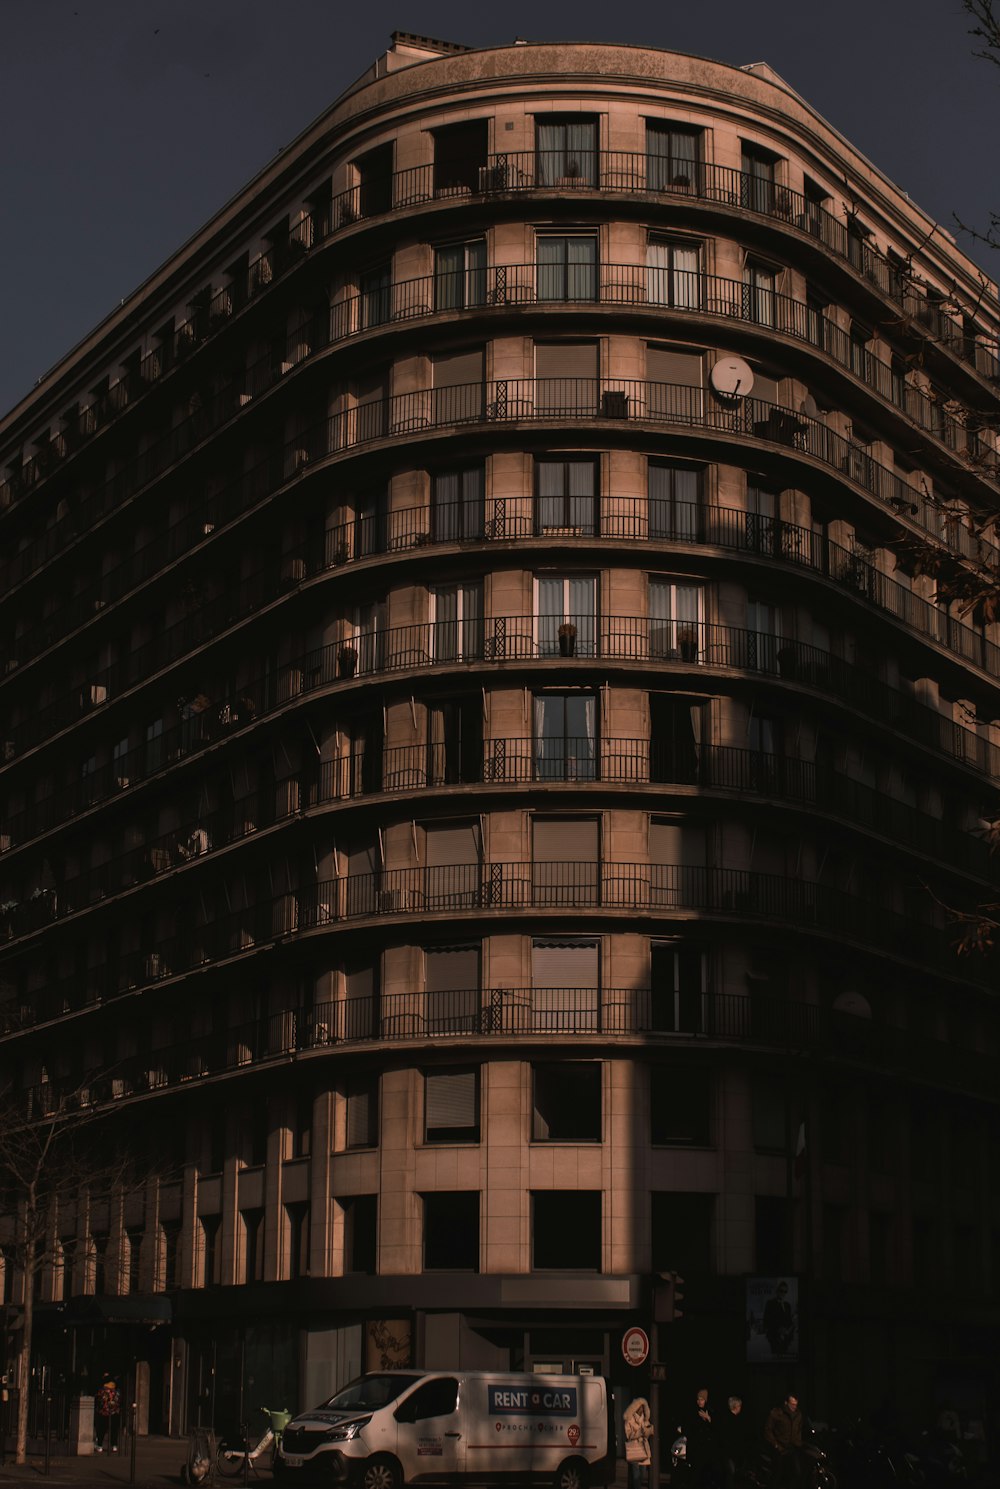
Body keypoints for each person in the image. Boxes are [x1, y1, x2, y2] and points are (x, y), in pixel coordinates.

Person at [764, 1393, 803, 1488]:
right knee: (777, 1475)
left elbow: (799, 1429)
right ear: (786, 1403)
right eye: (792, 1404)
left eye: (796, 1404)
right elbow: (768, 1430)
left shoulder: (798, 1414)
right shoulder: (778, 1413)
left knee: (796, 1474)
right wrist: (776, 1445)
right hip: (780, 1448)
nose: (794, 1406)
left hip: (793, 1448)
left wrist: (798, 1441)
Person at [720, 1396, 751, 1489]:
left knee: (732, 1474)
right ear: (736, 1406)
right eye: (739, 1406)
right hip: (730, 1452)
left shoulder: (730, 1419)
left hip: (731, 1451)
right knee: (731, 1473)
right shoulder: (732, 1420)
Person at [623, 1396, 653, 1489]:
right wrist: (640, 1432)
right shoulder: (629, 1419)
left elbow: (648, 1434)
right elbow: (628, 1435)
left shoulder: (645, 1419)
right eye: (640, 1406)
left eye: (643, 1407)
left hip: (644, 1448)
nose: (642, 1409)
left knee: (642, 1474)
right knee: (636, 1475)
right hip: (634, 1448)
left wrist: (649, 1430)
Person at [686, 1388, 714, 1485]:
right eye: (698, 1399)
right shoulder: (693, 1412)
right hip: (696, 1448)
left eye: (701, 1399)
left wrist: (708, 1419)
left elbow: (715, 1429)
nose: (699, 1401)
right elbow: (690, 1428)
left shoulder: (710, 1411)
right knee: (695, 1473)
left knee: (706, 1474)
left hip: (707, 1449)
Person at [762, 1280, 795, 1357]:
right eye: (781, 1290)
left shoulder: (788, 1305)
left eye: (785, 1291)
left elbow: (789, 1321)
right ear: (777, 1290)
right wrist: (778, 1329)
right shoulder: (770, 1303)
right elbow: (766, 1321)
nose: (783, 1293)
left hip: (786, 1339)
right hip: (775, 1338)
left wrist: (790, 1332)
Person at [95, 1371, 122, 1453]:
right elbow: (119, 1400)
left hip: (103, 1412)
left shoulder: (102, 1390)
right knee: (114, 1429)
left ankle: (100, 1445)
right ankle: (114, 1445)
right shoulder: (116, 1390)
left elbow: (99, 1400)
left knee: (101, 1429)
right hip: (114, 1412)